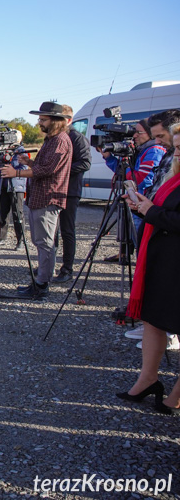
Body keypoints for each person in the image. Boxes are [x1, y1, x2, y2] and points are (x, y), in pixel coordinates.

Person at [116, 122, 180, 415]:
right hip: (162, 258)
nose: (175, 153)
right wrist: (143, 204)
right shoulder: (174, 176)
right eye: (176, 147)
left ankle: (176, 396)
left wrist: (150, 211)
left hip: (174, 260)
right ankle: (148, 378)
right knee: (153, 320)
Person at [0, 101, 72, 300]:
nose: (40, 122)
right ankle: (40, 280)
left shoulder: (61, 141)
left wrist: (17, 172)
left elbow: (49, 170)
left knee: (45, 242)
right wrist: (29, 162)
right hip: (39, 197)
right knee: (40, 241)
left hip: (48, 198)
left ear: (56, 121)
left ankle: (42, 284)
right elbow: (44, 166)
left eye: (43, 119)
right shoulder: (52, 139)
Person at [99, 117, 166, 263]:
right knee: (137, 241)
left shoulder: (154, 150)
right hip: (137, 202)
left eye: (139, 132)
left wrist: (125, 168)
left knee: (142, 244)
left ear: (150, 134)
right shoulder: (143, 150)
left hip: (143, 203)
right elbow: (124, 172)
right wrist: (109, 157)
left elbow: (141, 178)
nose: (134, 136)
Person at [52, 105, 91, 283]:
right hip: (55, 190)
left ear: (68, 119)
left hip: (70, 191)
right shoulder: (55, 137)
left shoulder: (77, 138)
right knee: (51, 230)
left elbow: (85, 163)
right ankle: (48, 264)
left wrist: (62, 170)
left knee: (67, 230)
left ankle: (67, 268)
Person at [0, 143, 28, 251]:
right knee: (3, 213)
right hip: (4, 185)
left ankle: (20, 240)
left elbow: (24, 167)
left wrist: (13, 171)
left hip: (16, 186)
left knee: (17, 214)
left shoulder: (21, 151)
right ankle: (2, 238)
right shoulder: (4, 150)